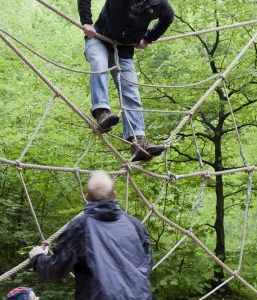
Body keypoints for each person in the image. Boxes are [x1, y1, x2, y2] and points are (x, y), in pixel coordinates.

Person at [29, 170, 153, 300]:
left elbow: (55, 270)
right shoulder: (136, 226)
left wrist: (38, 258)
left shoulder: (79, 227)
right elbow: (146, 268)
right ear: (115, 195)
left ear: (87, 197)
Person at [77, 0, 174, 162]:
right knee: (99, 64)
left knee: (131, 89)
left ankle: (138, 142)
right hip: (99, 38)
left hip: (124, 49)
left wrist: (149, 38)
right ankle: (102, 113)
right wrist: (86, 21)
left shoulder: (159, 3)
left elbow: (168, 18)